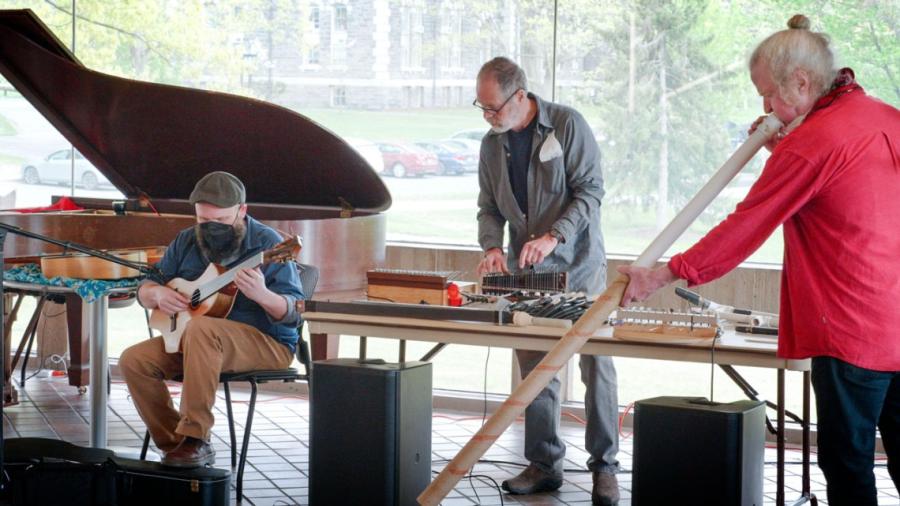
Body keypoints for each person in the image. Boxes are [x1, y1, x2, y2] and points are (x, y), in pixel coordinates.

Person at [618, 15, 899, 506]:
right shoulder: (883, 116)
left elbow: (744, 228)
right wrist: (787, 148)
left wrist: (664, 273)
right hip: (893, 317)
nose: (765, 107)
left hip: (855, 329)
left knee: (848, 461)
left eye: (767, 94)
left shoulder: (813, 143)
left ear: (803, 82)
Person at [474, 56, 620, 505]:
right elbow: (488, 206)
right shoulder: (491, 143)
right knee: (535, 367)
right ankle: (543, 463)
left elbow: (591, 191)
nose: (488, 117)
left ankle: (605, 468)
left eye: (494, 108)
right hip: (528, 273)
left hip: (577, 265)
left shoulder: (568, 125)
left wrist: (555, 235)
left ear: (521, 97)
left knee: (595, 364)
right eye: (481, 108)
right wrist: (492, 246)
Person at [120, 171, 303, 468]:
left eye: (221, 221)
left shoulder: (268, 244)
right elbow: (146, 286)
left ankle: (195, 437)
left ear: (242, 210)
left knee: (202, 328)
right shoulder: (186, 240)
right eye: (204, 221)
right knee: (134, 360)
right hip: (197, 343)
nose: (211, 228)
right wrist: (155, 294)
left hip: (267, 343)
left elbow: (292, 314)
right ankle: (176, 448)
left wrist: (262, 294)